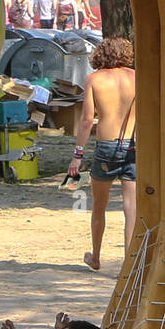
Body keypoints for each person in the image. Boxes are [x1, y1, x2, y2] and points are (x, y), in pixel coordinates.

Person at [65, 37, 136, 271]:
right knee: (131, 208)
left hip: (106, 147)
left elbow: (87, 121)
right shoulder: (137, 78)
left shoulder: (94, 80)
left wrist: (78, 155)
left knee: (99, 206)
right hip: (133, 146)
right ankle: (129, 265)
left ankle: (96, 256)